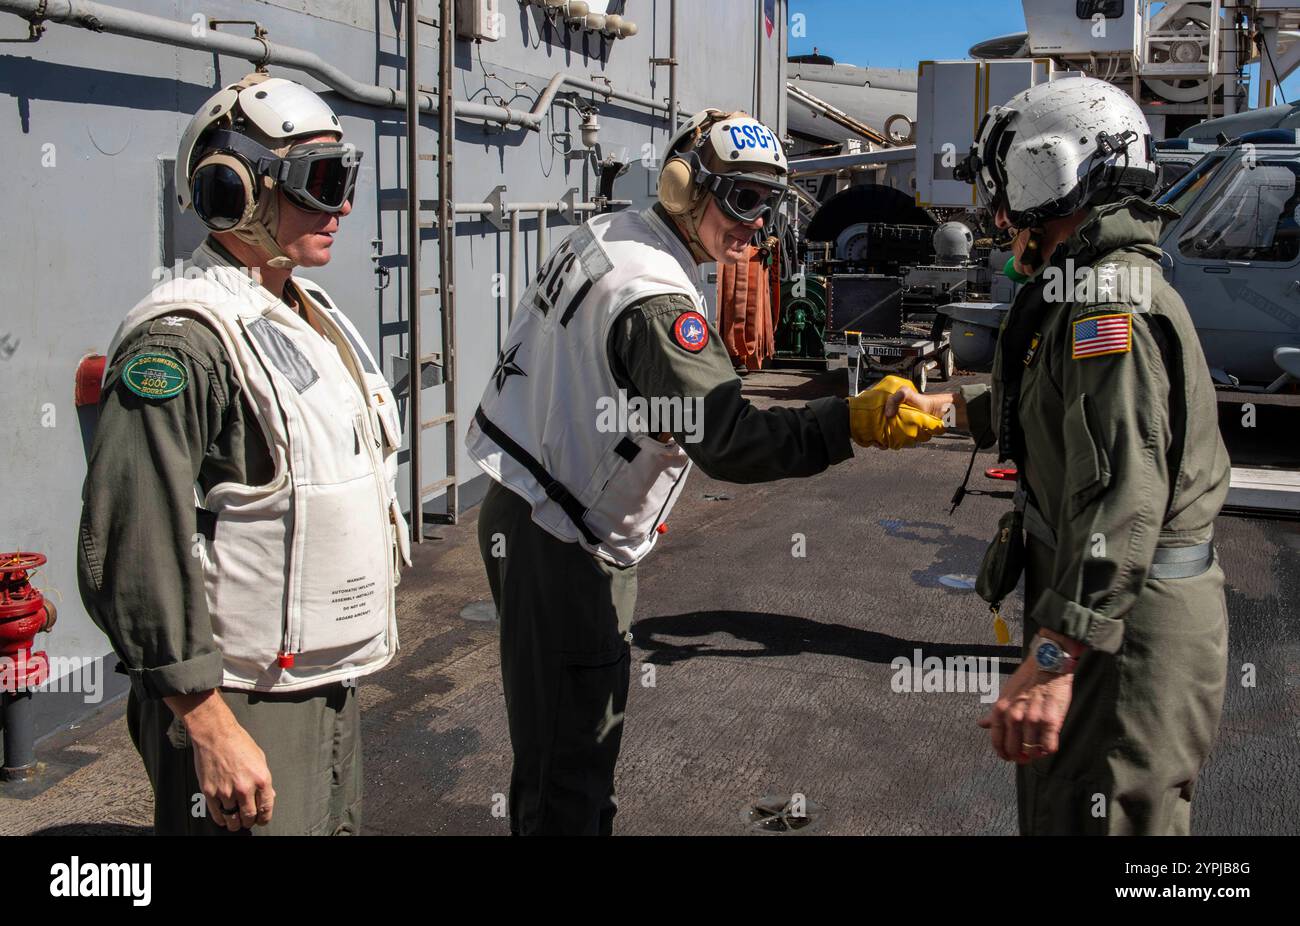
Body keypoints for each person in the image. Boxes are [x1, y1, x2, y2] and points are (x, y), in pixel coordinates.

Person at [465, 109, 944, 835]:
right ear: (686, 187)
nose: (758, 224)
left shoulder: (612, 234)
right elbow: (727, 440)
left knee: (552, 744)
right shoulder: (657, 298)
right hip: (560, 535)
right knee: (570, 761)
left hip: (527, 501)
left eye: (770, 203)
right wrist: (848, 423)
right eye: (743, 199)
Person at [889, 76, 1231, 835]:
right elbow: (1067, 407)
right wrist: (951, 409)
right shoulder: (1089, 288)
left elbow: (1127, 494)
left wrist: (1055, 653)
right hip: (1112, 617)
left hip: (1124, 631)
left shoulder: (1109, 305)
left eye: (1003, 190)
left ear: (1045, 172)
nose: (999, 216)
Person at [77, 72, 410, 835]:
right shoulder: (182, 340)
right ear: (235, 190)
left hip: (321, 683)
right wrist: (208, 722)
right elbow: (132, 542)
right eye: (321, 183)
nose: (343, 207)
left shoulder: (302, 311)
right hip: (238, 696)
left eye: (346, 179)